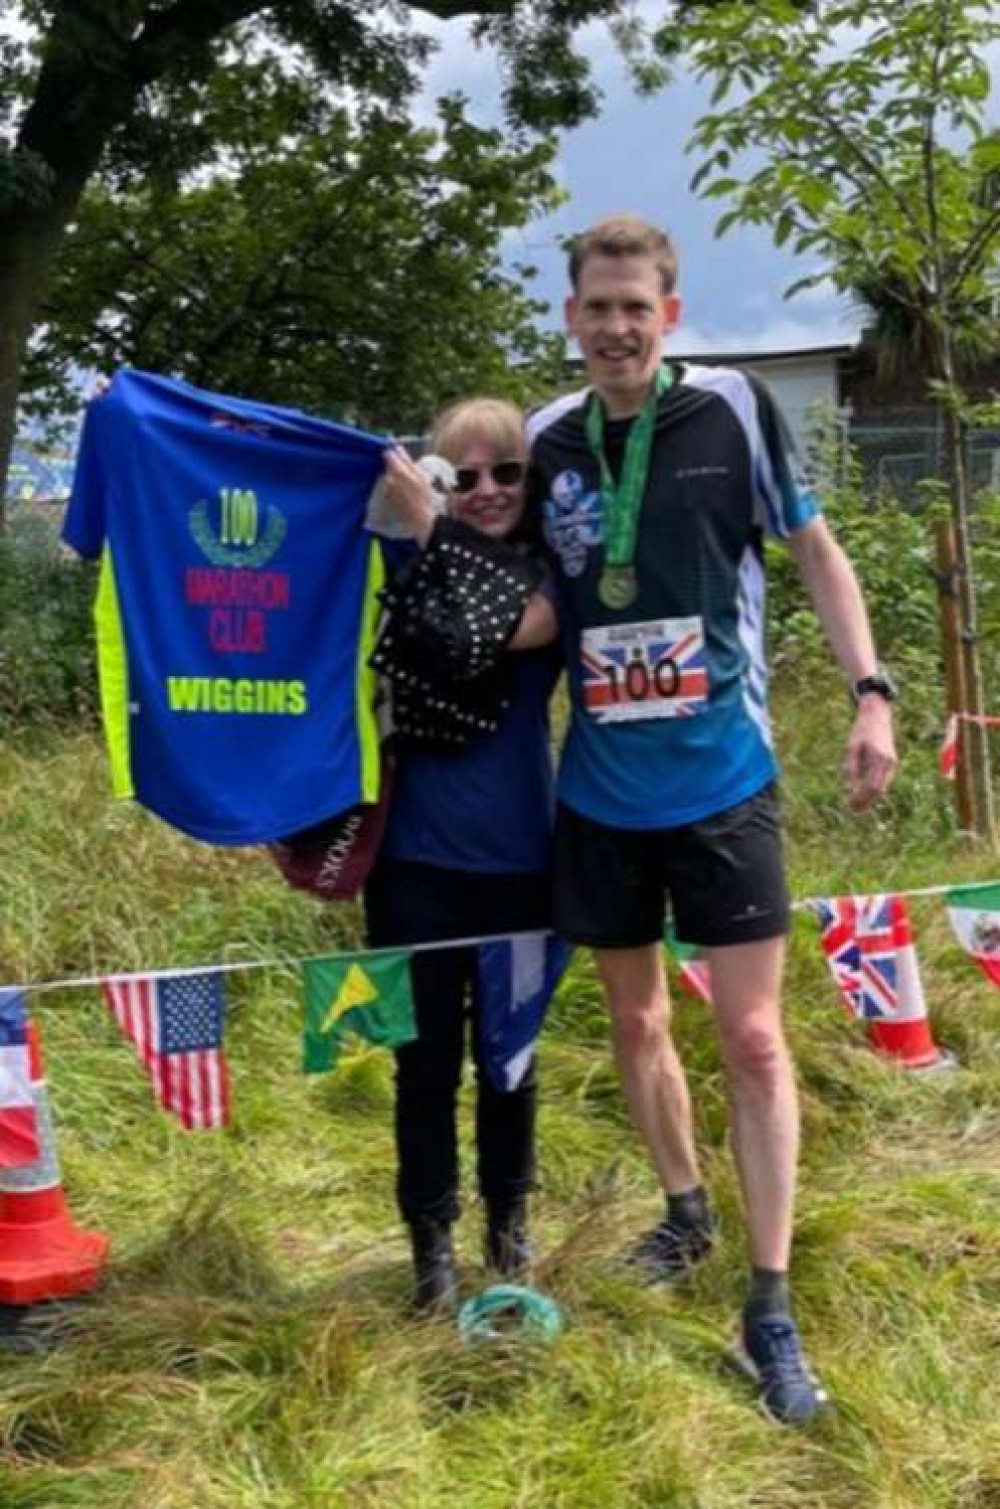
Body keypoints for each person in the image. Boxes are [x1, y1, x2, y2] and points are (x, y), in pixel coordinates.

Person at [527, 214, 898, 1423]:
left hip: (724, 781)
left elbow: (816, 551)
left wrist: (871, 695)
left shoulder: (733, 408)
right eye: (597, 307)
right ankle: (684, 1213)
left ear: (668, 316)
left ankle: (770, 1304)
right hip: (597, 791)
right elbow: (510, 588)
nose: (616, 327)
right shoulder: (540, 442)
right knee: (634, 1023)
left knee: (751, 1041)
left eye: (637, 307)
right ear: (569, 316)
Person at [367, 398, 560, 1314]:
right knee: (424, 1061)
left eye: (506, 473)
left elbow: (482, 631)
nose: (485, 491)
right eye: (460, 475)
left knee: (511, 1057)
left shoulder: (550, 576)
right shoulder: (398, 550)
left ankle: (508, 1227)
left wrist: (431, 524)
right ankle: (432, 1244)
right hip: (414, 864)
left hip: (523, 860)